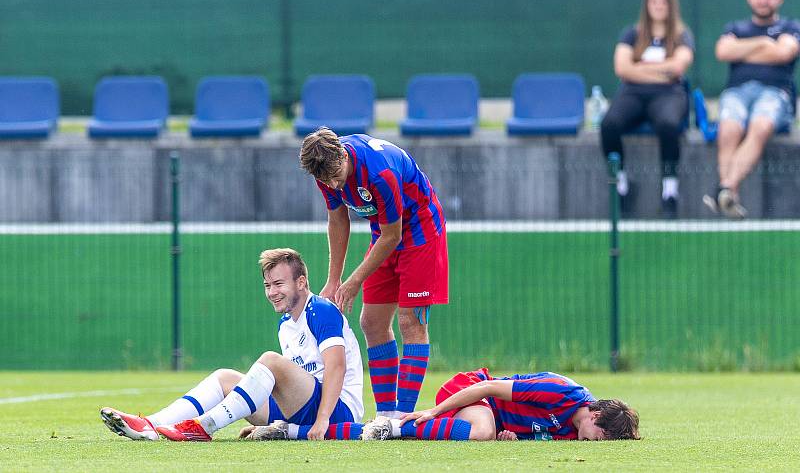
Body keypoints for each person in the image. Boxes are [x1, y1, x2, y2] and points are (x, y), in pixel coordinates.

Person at [99, 248, 365, 442]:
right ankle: (150, 425)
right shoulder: (285, 323)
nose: (272, 292)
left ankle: (204, 426)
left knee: (271, 361)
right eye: (267, 285)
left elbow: (336, 368)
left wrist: (322, 421)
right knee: (224, 377)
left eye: (279, 284)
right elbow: (295, 384)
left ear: (301, 282)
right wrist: (276, 424)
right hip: (304, 407)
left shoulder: (321, 311)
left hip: (337, 411)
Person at [299, 128, 448, 419]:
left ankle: (403, 418)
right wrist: (334, 279)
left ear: (342, 154)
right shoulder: (325, 170)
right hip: (383, 232)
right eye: (324, 180)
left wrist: (354, 281)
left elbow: (394, 235)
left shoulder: (380, 173)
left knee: (410, 323)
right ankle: (385, 416)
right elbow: (338, 220)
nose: (332, 184)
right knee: (371, 323)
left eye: (335, 176)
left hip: (420, 233)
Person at [703, 0, 800, 219]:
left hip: (775, 94)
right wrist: (765, 44)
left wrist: (743, 49)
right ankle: (729, 196)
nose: (762, 1)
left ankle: (724, 189)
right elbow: (723, 51)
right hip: (737, 93)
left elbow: (784, 54)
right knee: (729, 128)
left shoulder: (791, 26)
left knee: (760, 125)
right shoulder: (735, 26)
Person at [600, 0, 695, 219]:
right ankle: (621, 185)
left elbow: (679, 67)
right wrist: (661, 70)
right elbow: (622, 68)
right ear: (647, 4)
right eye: (654, 1)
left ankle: (669, 192)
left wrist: (640, 66)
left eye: (663, 1)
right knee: (609, 124)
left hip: (669, 95)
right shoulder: (631, 34)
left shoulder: (682, 35)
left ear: (671, 4)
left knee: (668, 125)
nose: (658, 5)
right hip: (632, 93)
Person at [361, 368, 639, 441]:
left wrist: (512, 439)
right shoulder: (561, 391)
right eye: (601, 437)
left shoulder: (574, 434)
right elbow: (488, 387)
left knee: (488, 433)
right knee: (483, 433)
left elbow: (532, 434)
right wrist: (434, 411)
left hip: (494, 419)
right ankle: (395, 427)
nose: (595, 444)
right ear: (596, 415)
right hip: (471, 387)